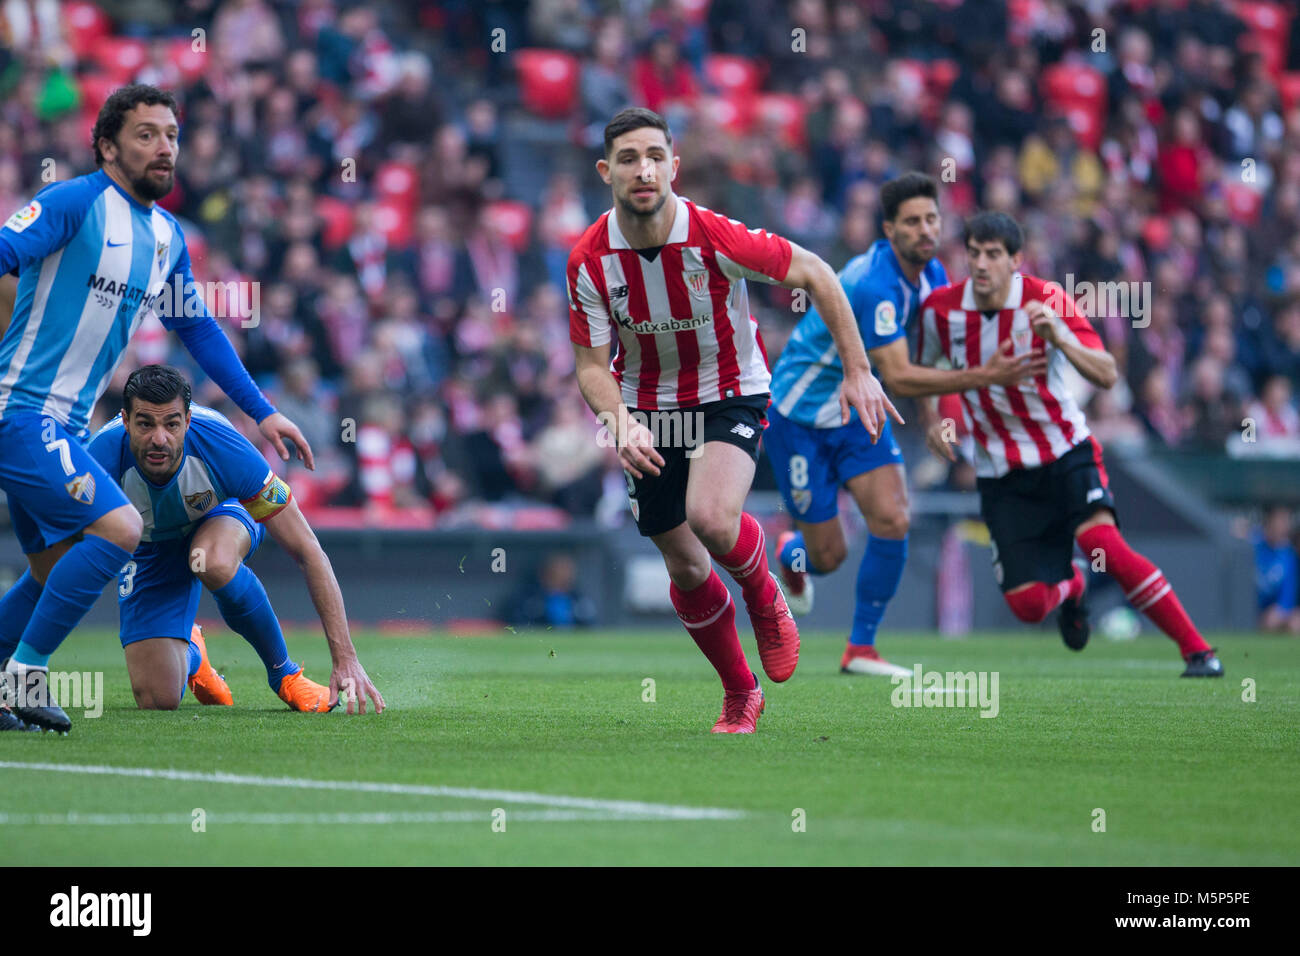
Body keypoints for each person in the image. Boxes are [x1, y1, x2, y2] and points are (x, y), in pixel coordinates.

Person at [568, 107, 900, 733]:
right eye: (631, 158)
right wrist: (619, 420)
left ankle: (764, 593)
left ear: (674, 165)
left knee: (714, 518)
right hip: (646, 407)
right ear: (606, 171)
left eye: (656, 156)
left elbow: (819, 274)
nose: (645, 170)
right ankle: (740, 690)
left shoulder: (712, 235)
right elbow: (589, 365)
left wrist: (858, 370)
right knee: (686, 566)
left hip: (729, 392)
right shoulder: (589, 259)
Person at [0, 85, 315, 733]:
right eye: (145, 134)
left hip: (60, 425)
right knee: (118, 530)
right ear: (108, 146)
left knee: (50, 567)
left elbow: (197, 330)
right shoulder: (73, 202)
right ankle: (22, 681)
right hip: (21, 411)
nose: (164, 146)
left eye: (170, 133)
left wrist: (262, 412)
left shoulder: (166, 236)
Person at [916, 211, 1222, 677]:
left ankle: (1198, 652)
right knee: (1028, 605)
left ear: (1016, 260)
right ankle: (1074, 586)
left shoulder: (1047, 300)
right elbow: (922, 372)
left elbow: (1105, 371)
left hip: (1064, 452)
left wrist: (1060, 336)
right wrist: (933, 419)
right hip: (1003, 474)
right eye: (973, 253)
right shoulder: (943, 310)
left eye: (993, 254)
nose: (981, 264)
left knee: (1106, 544)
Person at [767, 173, 1044, 676]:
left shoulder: (933, 274)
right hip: (799, 417)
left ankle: (861, 650)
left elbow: (926, 352)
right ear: (889, 230)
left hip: (858, 412)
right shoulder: (875, 283)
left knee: (895, 519)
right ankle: (793, 554)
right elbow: (897, 373)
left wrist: (936, 417)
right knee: (827, 557)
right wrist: (986, 375)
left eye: (932, 219)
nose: (925, 230)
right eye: (912, 222)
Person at [76, 365, 383, 714]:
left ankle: (284, 674)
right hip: (149, 546)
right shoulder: (97, 461)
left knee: (210, 559)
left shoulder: (226, 449)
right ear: (125, 421)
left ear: (188, 421)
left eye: (171, 424)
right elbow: (55, 551)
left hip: (220, 515)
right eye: (145, 424)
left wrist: (345, 659)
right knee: (157, 699)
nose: (159, 438)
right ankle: (193, 651)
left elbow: (307, 550)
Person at [1255, 505, 1299, 634]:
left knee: (1294, 623)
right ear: (1269, 523)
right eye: (1280, 521)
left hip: (1277, 612)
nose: (1284, 527)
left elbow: (1288, 591)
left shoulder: (1288, 555)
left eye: (1286, 522)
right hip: (1255, 611)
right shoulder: (1254, 546)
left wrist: (1281, 609)